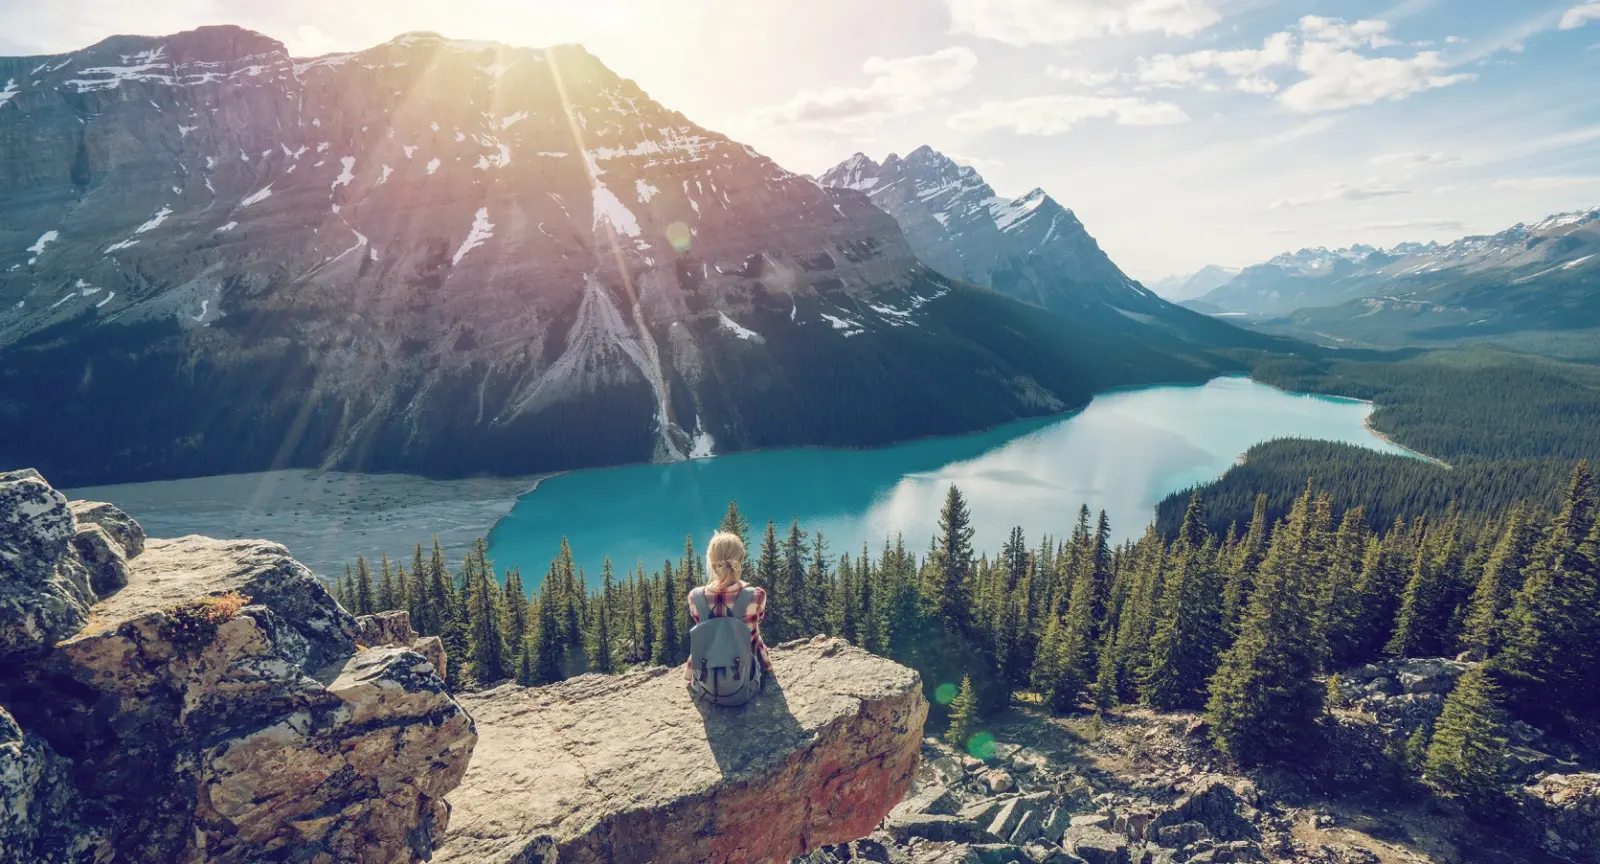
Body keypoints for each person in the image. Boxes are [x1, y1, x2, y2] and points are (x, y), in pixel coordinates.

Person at [686, 530, 773, 682]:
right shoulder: (756, 596)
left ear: (711, 563)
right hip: (745, 671)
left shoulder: (695, 597)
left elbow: (700, 624)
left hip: (708, 672)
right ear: (740, 561)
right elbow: (757, 621)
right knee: (754, 636)